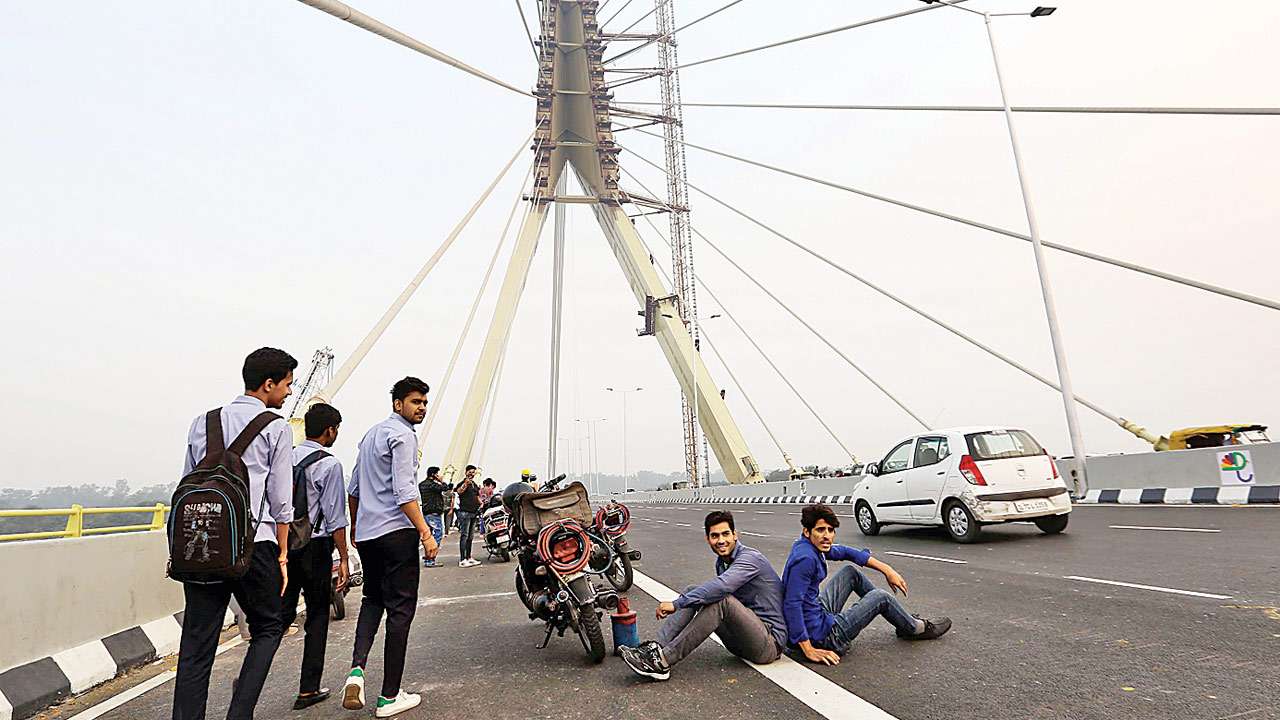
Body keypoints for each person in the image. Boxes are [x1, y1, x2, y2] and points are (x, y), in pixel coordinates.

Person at [172, 348, 296, 720]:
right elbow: (281, 501)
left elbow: (187, 481)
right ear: (268, 384)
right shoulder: (276, 427)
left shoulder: (202, 422)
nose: (289, 393)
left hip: (202, 544)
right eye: (287, 384)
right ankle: (239, 713)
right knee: (269, 626)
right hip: (253, 546)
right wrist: (284, 554)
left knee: (197, 642)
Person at [343, 377, 439, 718]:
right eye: (415, 402)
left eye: (424, 403)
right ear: (398, 404)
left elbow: (353, 489)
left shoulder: (371, 435)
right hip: (396, 535)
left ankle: (357, 670)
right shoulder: (403, 436)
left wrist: (356, 527)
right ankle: (388, 696)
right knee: (400, 611)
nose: (422, 408)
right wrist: (426, 533)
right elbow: (405, 492)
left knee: (373, 600)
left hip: (369, 535)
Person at [620, 510, 786, 681]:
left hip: (767, 645)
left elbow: (722, 586)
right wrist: (685, 601)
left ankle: (662, 662)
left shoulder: (751, 558)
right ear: (708, 539)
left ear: (735, 535)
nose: (721, 541)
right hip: (741, 641)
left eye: (725, 534)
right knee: (695, 590)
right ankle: (656, 648)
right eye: (715, 536)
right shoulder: (722, 563)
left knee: (722, 601)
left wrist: (677, 604)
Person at [781, 504, 951, 666]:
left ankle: (900, 618)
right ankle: (913, 628)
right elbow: (791, 604)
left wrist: (887, 570)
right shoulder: (806, 559)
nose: (827, 536)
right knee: (880, 597)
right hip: (825, 637)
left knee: (850, 573)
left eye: (830, 530)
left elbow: (846, 552)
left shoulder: (809, 546)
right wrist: (808, 649)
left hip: (818, 616)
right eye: (820, 530)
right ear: (807, 531)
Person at [281, 403, 350, 710]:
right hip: (316, 549)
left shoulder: (285, 458)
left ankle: (248, 682)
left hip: (283, 547)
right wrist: (345, 557)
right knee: (317, 615)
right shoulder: (329, 464)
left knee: (277, 619)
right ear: (330, 430)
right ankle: (308, 689)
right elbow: (336, 518)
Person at [417, 466, 447, 568]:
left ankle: (428, 559)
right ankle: (431, 559)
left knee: (428, 537)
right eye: (437, 474)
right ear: (434, 474)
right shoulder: (432, 485)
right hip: (434, 513)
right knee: (437, 535)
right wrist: (442, 481)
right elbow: (445, 488)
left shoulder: (422, 484)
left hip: (426, 512)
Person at [454, 465, 481, 568]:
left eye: (473, 472)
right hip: (465, 512)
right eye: (470, 472)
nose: (472, 474)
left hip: (474, 512)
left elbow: (477, 496)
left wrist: (482, 504)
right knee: (464, 536)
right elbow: (459, 491)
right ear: (466, 472)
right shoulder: (462, 483)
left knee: (470, 537)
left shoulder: (474, 484)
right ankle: (462, 559)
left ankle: (469, 557)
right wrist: (465, 484)